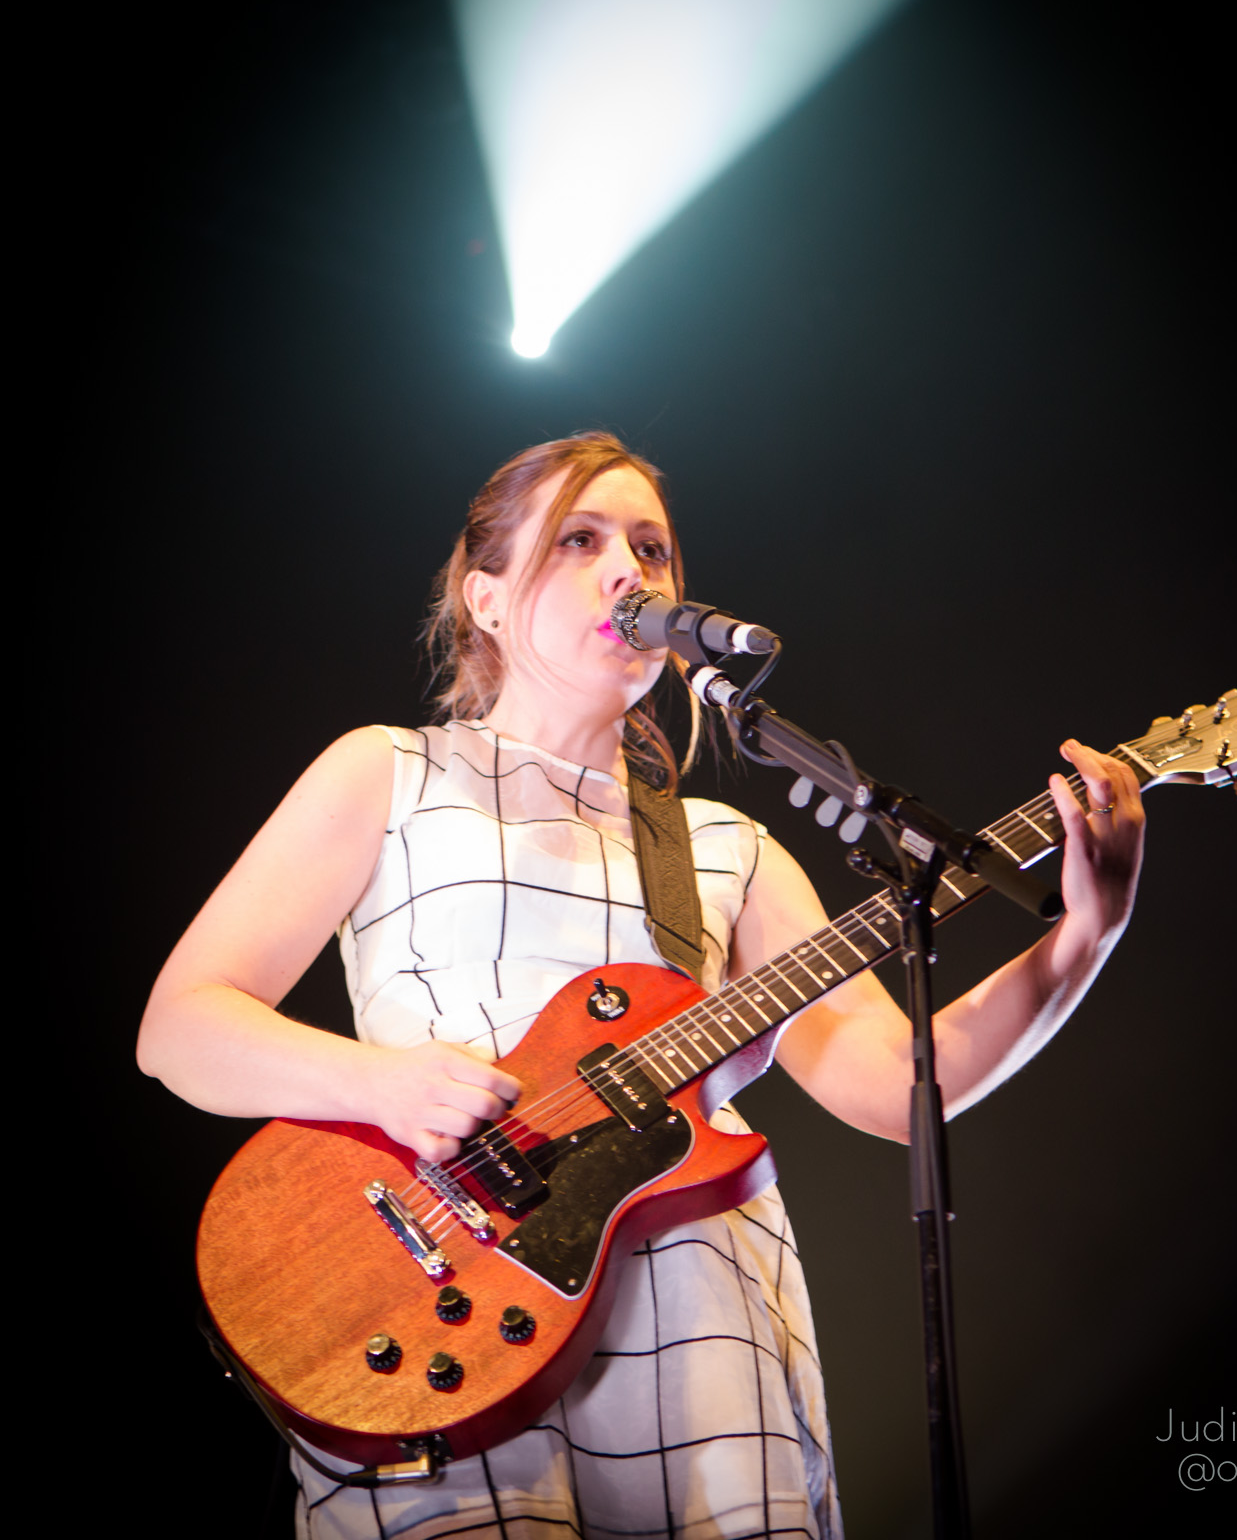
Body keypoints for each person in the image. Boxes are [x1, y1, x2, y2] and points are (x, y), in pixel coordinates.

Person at [138, 431, 1145, 1540]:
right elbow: (181, 1025)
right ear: (484, 598)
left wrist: (1083, 937)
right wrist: (380, 1084)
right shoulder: (389, 773)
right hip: (442, 1308)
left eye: (651, 548)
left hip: (692, 1325)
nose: (630, 571)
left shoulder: (724, 849)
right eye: (580, 539)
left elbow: (904, 1084)